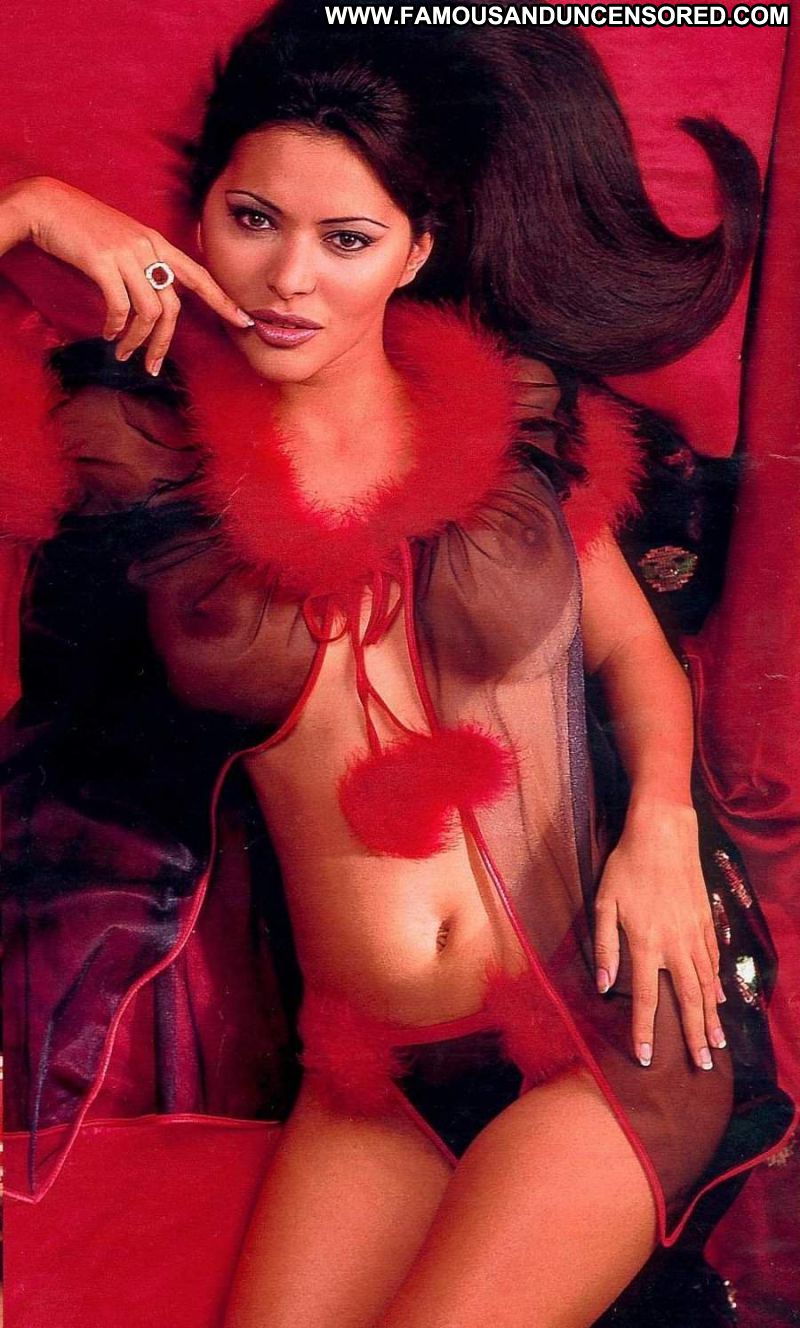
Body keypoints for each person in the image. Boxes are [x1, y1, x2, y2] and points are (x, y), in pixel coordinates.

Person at [0, 6, 793, 1326]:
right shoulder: (134, 458)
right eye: (254, 219)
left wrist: (661, 821)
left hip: (606, 1034)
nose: (288, 279)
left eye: (347, 239)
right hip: (368, 1086)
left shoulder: (513, 419)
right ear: (194, 220)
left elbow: (632, 654)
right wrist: (30, 210)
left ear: (415, 250)